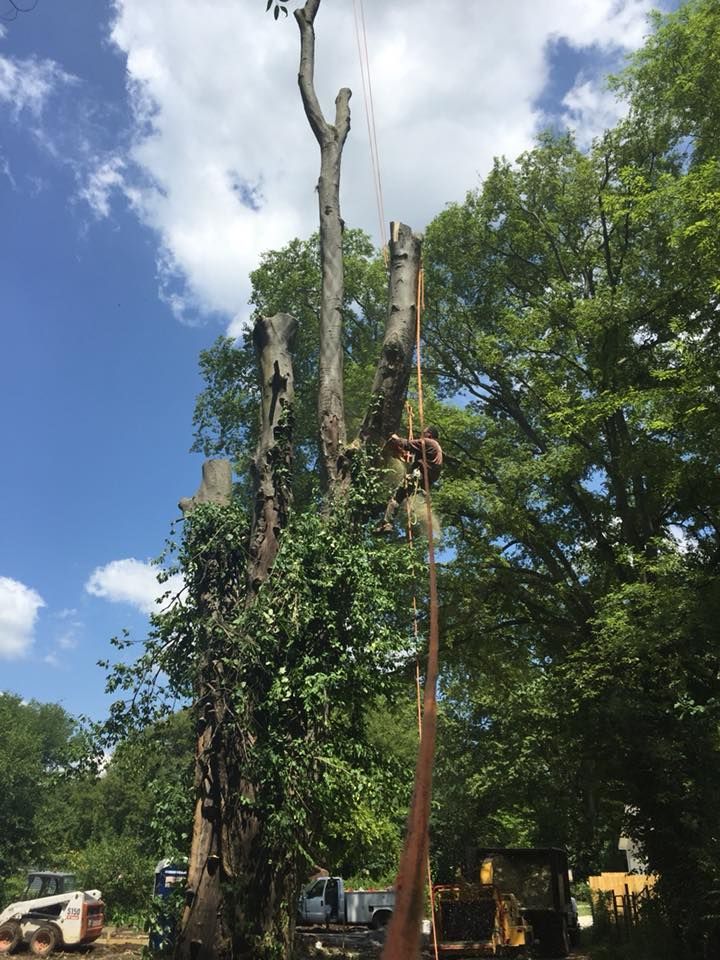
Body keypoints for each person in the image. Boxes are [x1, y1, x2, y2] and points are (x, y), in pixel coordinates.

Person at [379, 425, 443, 531]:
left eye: (424, 433)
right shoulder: (436, 449)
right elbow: (414, 458)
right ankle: (418, 495)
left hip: (419, 476)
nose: (421, 435)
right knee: (410, 494)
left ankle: (387, 524)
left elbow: (406, 444)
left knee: (396, 498)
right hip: (425, 481)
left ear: (429, 435)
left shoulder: (428, 442)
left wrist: (395, 438)